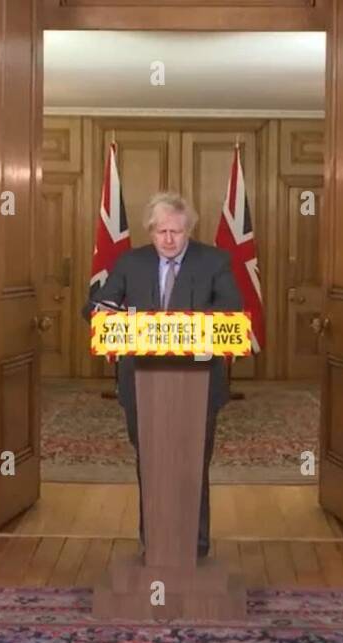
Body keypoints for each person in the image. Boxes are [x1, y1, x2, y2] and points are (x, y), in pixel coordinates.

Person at [81, 192, 242, 557]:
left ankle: (195, 545)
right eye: (161, 232)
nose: (168, 240)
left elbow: (231, 310)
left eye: (176, 232)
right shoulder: (130, 262)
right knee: (150, 461)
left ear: (189, 231)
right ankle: (152, 540)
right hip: (141, 382)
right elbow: (97, 306)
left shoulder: (215, 261)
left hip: (198, 384)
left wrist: (182, 329)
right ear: (150, 231)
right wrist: (102, 313)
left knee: (193, 461)